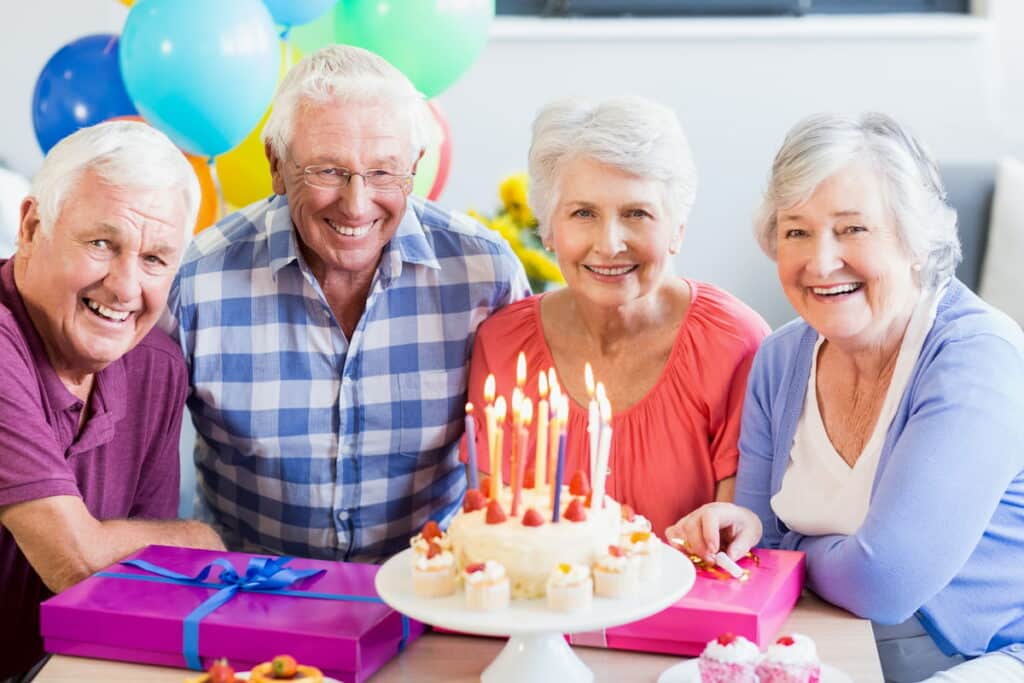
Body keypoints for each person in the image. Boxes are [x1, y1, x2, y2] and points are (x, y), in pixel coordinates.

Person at [667, 112, 1024, 682]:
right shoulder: (781, 358)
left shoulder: (978, 355)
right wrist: (738, 528)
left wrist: (793, 548)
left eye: (852, 229)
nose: (820, 260)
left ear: (914, 239)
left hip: (981, 657)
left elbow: (885, 582)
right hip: (827, 641)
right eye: (796, 231)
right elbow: (757, 555)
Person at [165, 45, 529, 563]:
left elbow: (523, 462)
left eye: (383, 173)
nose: (357, 204)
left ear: (416, 166)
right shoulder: (199, 280)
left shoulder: (483, 274)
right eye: (328, 171)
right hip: (249, 593)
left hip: (430, 588)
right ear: (276, 164)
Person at [466, 96, 769, 537]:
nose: (609, 244)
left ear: (677, 228)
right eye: (583, 213)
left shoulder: (734, 343)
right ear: (549, 228)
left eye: (637, 213)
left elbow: (733, 546)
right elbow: (497, 530)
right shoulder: (503, 344)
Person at [0, 121, 225, 682]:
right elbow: (75, 561)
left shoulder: (156, 365)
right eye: (102, 243)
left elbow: (150, 586)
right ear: (31, 227)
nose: (126, 288)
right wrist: (200, 538)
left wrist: (179, 549)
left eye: (155, 259)